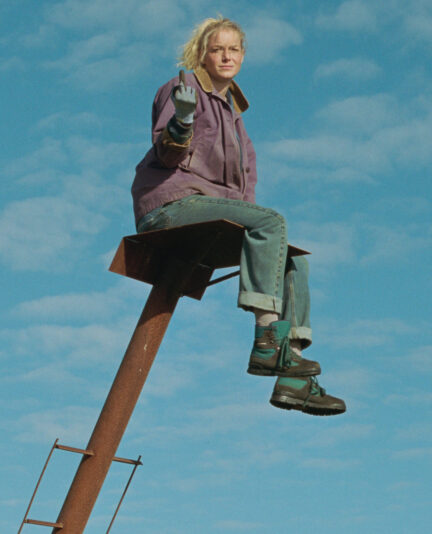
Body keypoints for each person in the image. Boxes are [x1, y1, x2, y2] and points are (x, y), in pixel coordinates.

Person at [130, 16, 346, 416]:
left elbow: (246, 196)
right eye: (217, 49)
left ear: (243, 56)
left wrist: (260, 233)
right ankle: (266, 339)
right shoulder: (183, 89)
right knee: (271, 222)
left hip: (211, 212)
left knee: (292, 258)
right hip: (172, 206)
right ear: (203, 54)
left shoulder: (235, 119)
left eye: (233, 49)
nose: (226, 56)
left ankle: (292, 373)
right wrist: (182, 120)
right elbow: (167, 154)